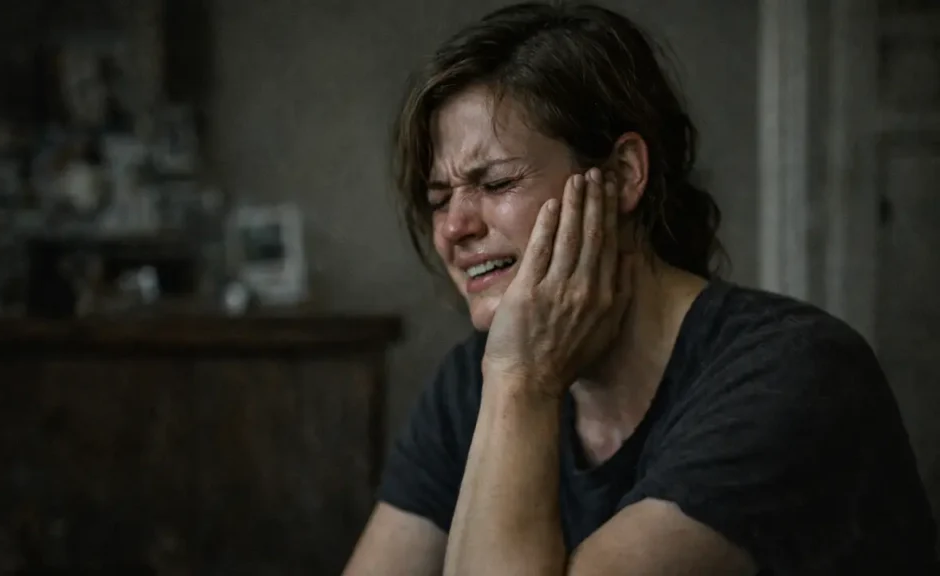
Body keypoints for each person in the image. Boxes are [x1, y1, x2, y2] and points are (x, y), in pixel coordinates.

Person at [343, 2, 939, 575]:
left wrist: (523, 382)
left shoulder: (796, 375)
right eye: (438, 199)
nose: (454, 228)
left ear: (624, 174)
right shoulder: (469, 385)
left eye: (496, 182)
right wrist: (509, 379)